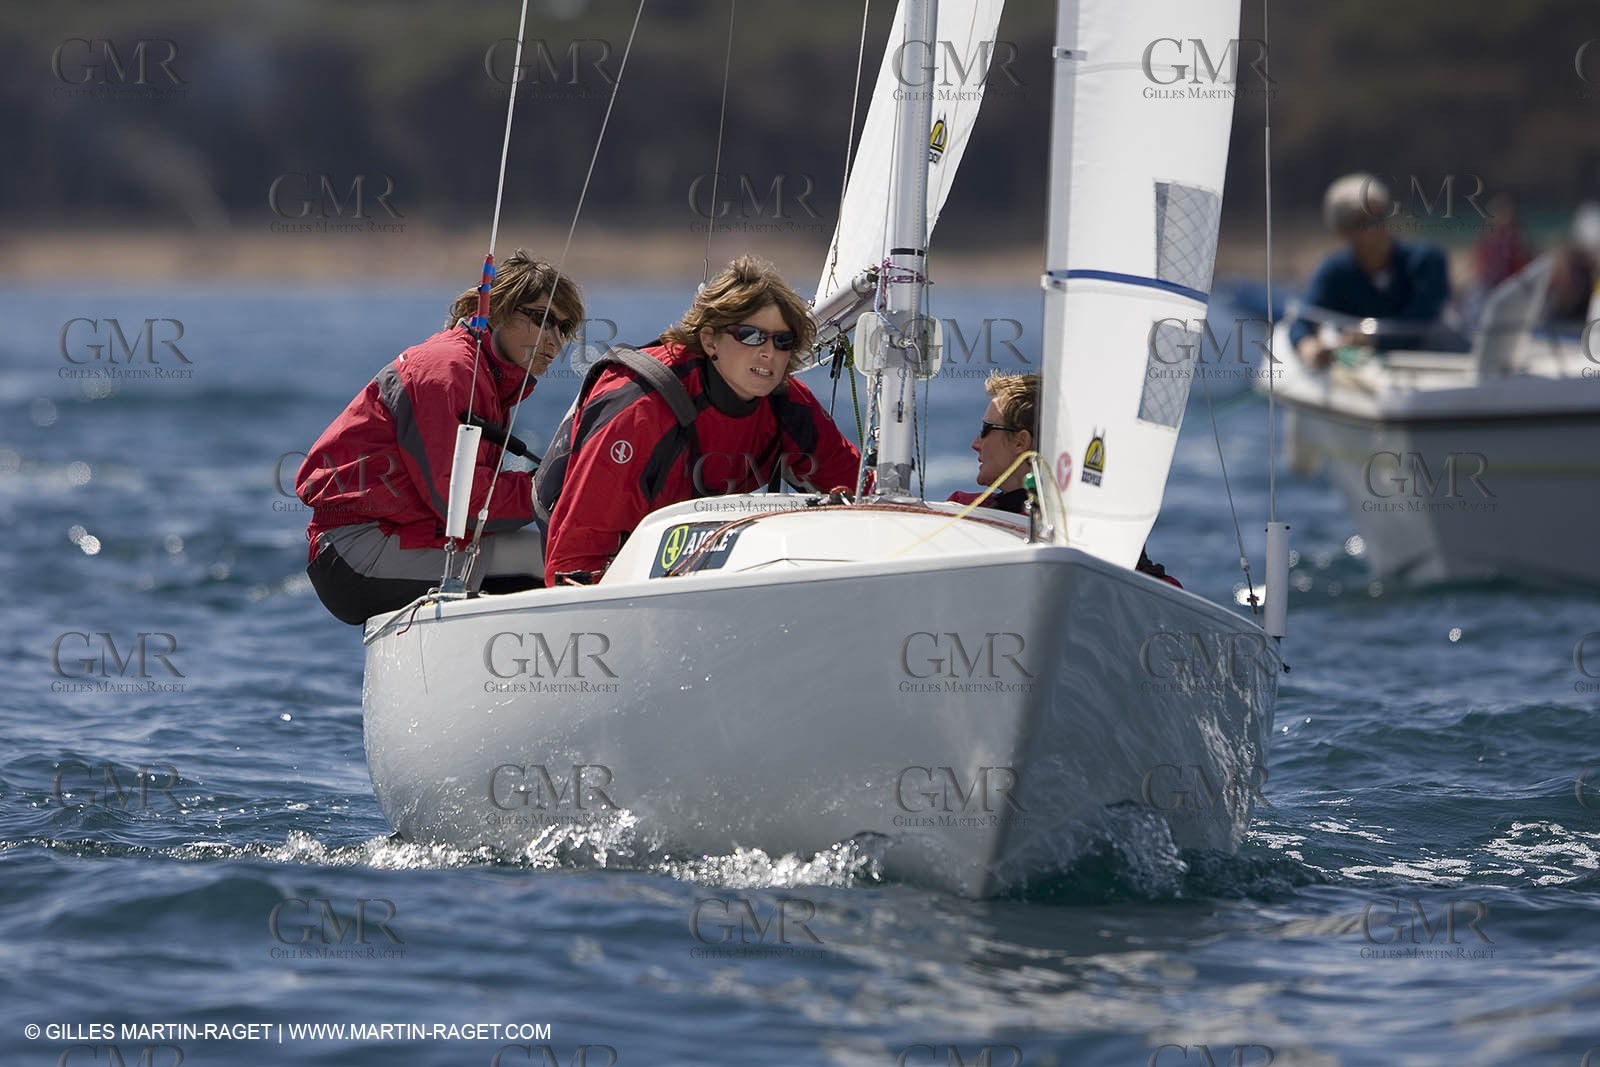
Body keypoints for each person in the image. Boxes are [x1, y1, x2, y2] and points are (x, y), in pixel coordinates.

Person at [296, 250, 583, 624]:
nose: (555, 341)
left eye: (564, 329)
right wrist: (552, 489)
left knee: (551, 553)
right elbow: (461, 504)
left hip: (395, 537)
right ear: (497, 310)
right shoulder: (448, 372)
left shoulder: (487, 377)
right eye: (543, 320)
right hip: (355, 553)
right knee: (545, 562)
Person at [536, 256, 860, 585]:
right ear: (709, 340)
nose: (769, 353)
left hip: (697, 564)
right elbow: (571, 560)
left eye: (783, 341)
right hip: (612, 564)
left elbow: (859, 491)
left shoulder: (787, 403)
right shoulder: (641, 409)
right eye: (750, 336)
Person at [949, 372, 1180, 587]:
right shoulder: (958, 510)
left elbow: (1165, 593)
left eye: (986, 429)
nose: (975, 443)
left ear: (1021, 442)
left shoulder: (1101, 532)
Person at [1289, 174, 1451, 368]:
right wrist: (1309, 346)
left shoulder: (1426, 261)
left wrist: (1370, 338)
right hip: (1365, 373)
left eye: (1381, 216)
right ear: (1343, 231)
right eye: (1364, 221)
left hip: (1432, 364)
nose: (1378, 227)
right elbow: (1304, 319)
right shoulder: (1335, 271)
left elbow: (1422, 319)